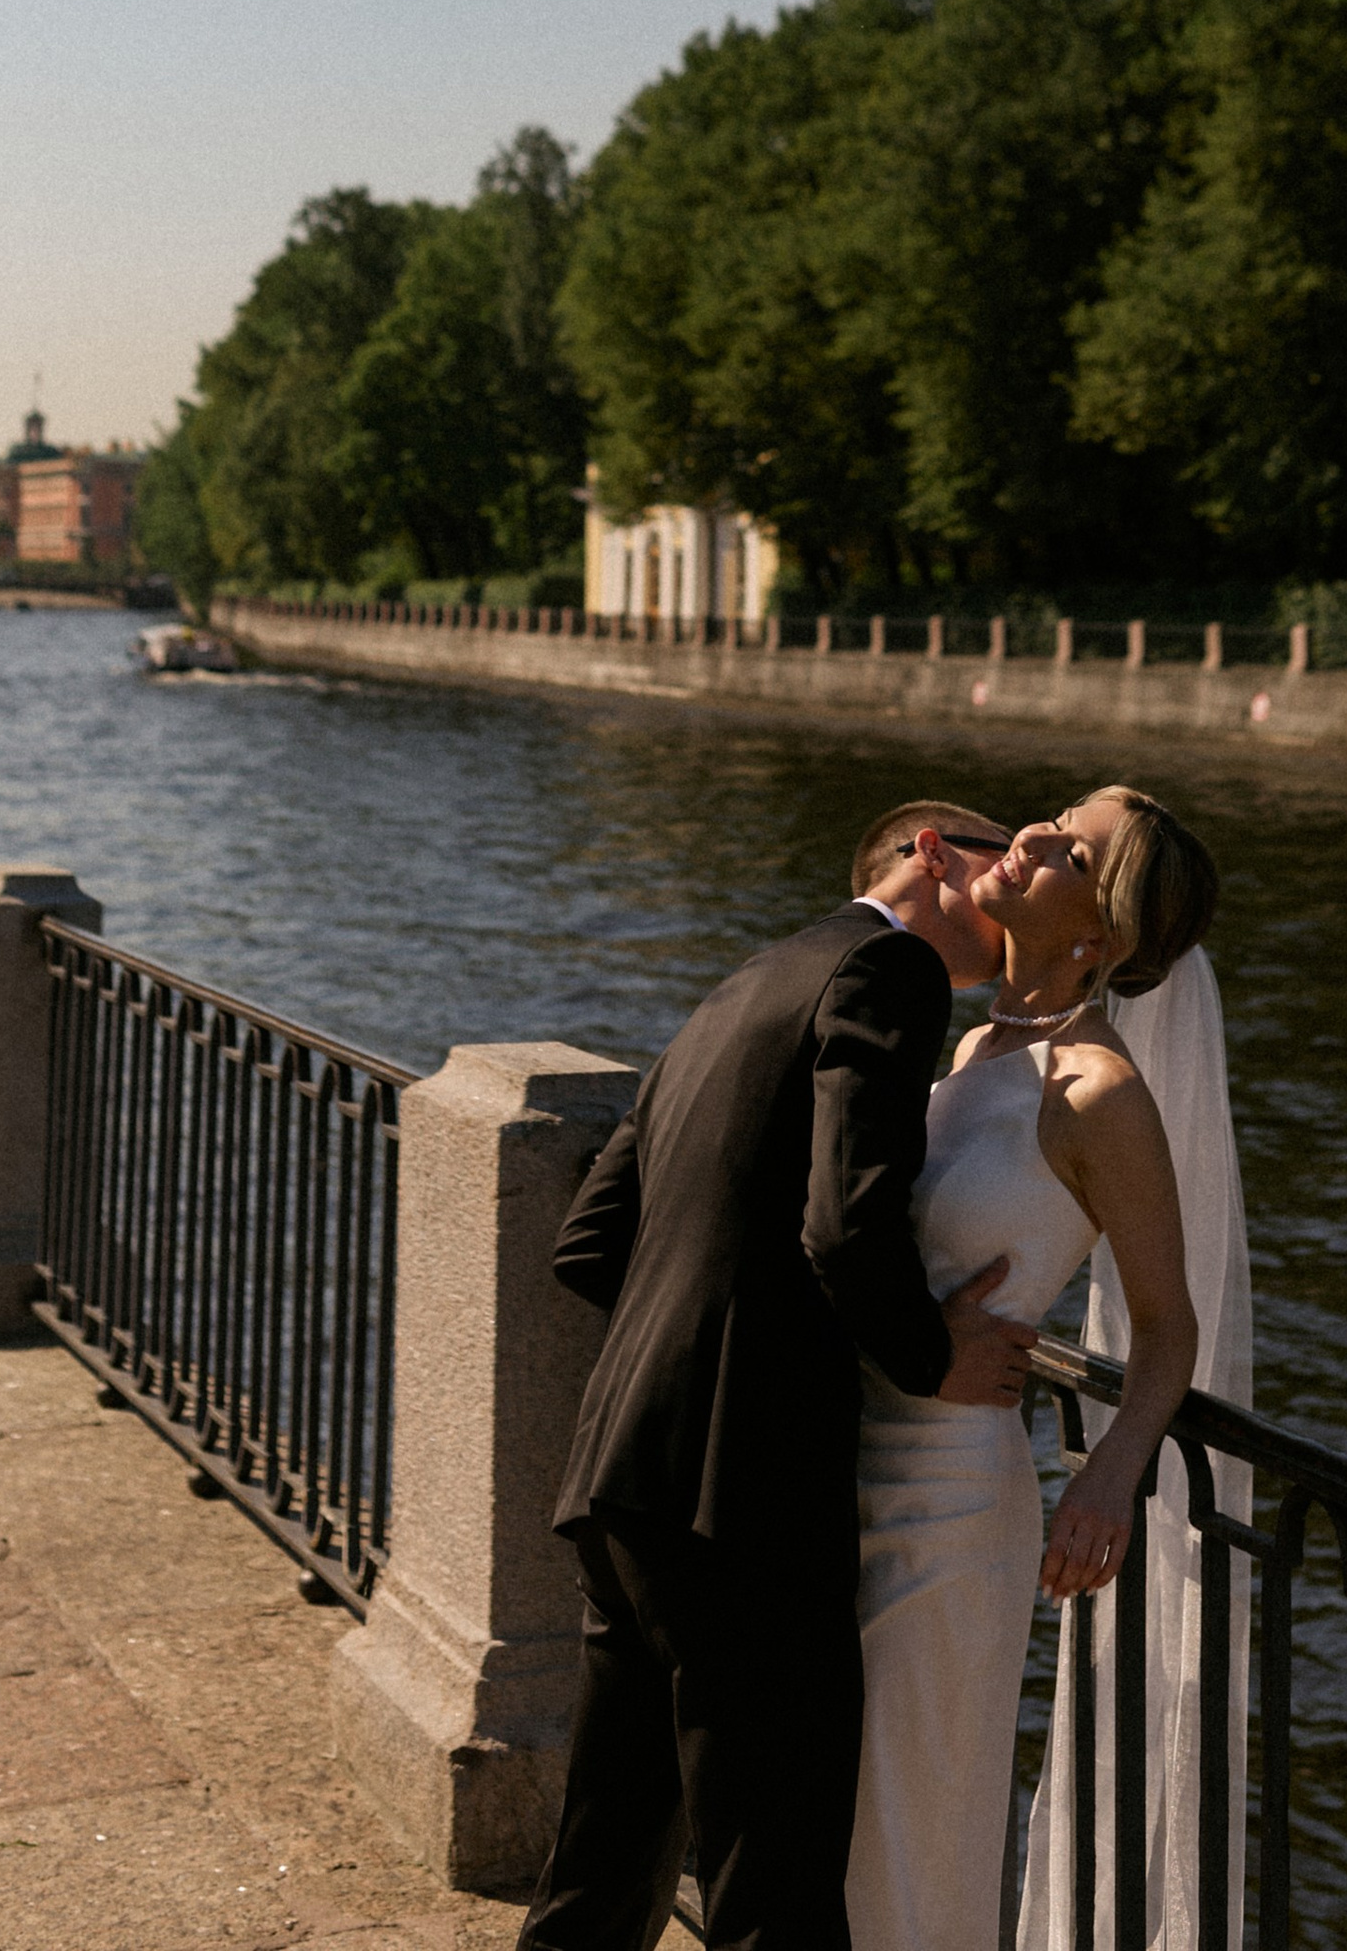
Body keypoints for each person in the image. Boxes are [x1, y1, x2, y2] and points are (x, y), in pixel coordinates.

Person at [516, 798, 1040, 1951]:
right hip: (741, 1493)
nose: (1023, 884)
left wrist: (701, 1346)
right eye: (1006, 854)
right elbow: (845, 1230)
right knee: (775, 1883)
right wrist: (929, 1357)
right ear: (932, 855)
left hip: (624, 1466)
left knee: (603, 1866)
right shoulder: (889, 969)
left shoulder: (742, 985)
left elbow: (589, 1245)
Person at [848, 784, 1233, 1951]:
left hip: (950, 1505)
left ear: (1095, 938)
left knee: (907, 1833)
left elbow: (1167, 1324)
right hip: (852, 1460)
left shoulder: (1097, 1091)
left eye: (1069, 849)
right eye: (1049, 819)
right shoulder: (965, 1043)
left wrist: (1110, 1475)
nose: (1026, 836)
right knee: (827, 1819)